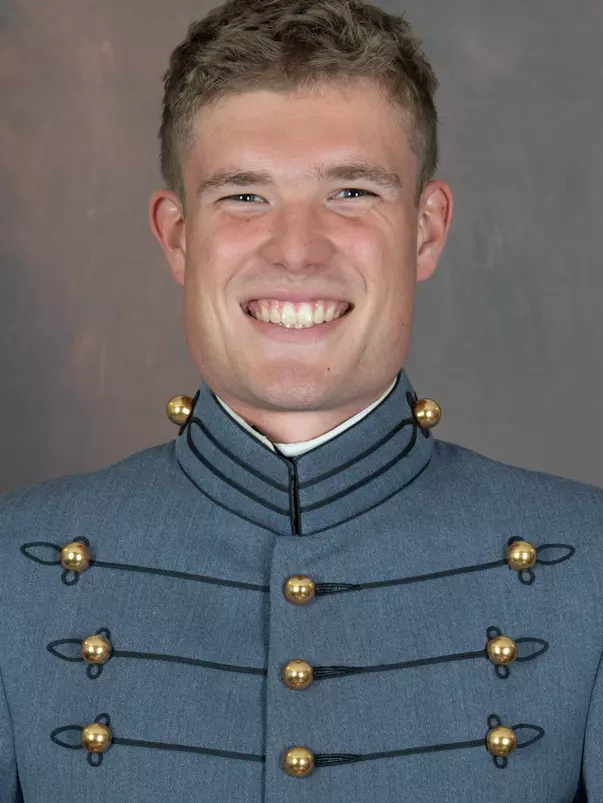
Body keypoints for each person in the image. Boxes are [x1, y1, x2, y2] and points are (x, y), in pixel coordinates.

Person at [0, 0, 600, 800]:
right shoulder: (14, 567)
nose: (295, 249)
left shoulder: (587, 564)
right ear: (177, 236)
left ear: (425, 230)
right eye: (244, 196)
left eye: (351, 192)